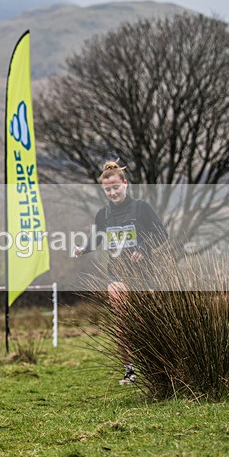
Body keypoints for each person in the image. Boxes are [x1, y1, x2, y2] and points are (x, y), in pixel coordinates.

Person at [74, 161, 167, 385]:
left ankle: (159, 364)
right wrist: (83, 248)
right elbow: (97, 238)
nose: (113, 192)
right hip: (116, 273)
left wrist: (143, 249)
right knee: (122, 322)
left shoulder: (141, 208)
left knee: (148, 319)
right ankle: (130, 369)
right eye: (108, 189)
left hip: (144, 274)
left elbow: (162, 235)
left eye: (116, 187)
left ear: (125, 184)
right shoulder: (103, 214)